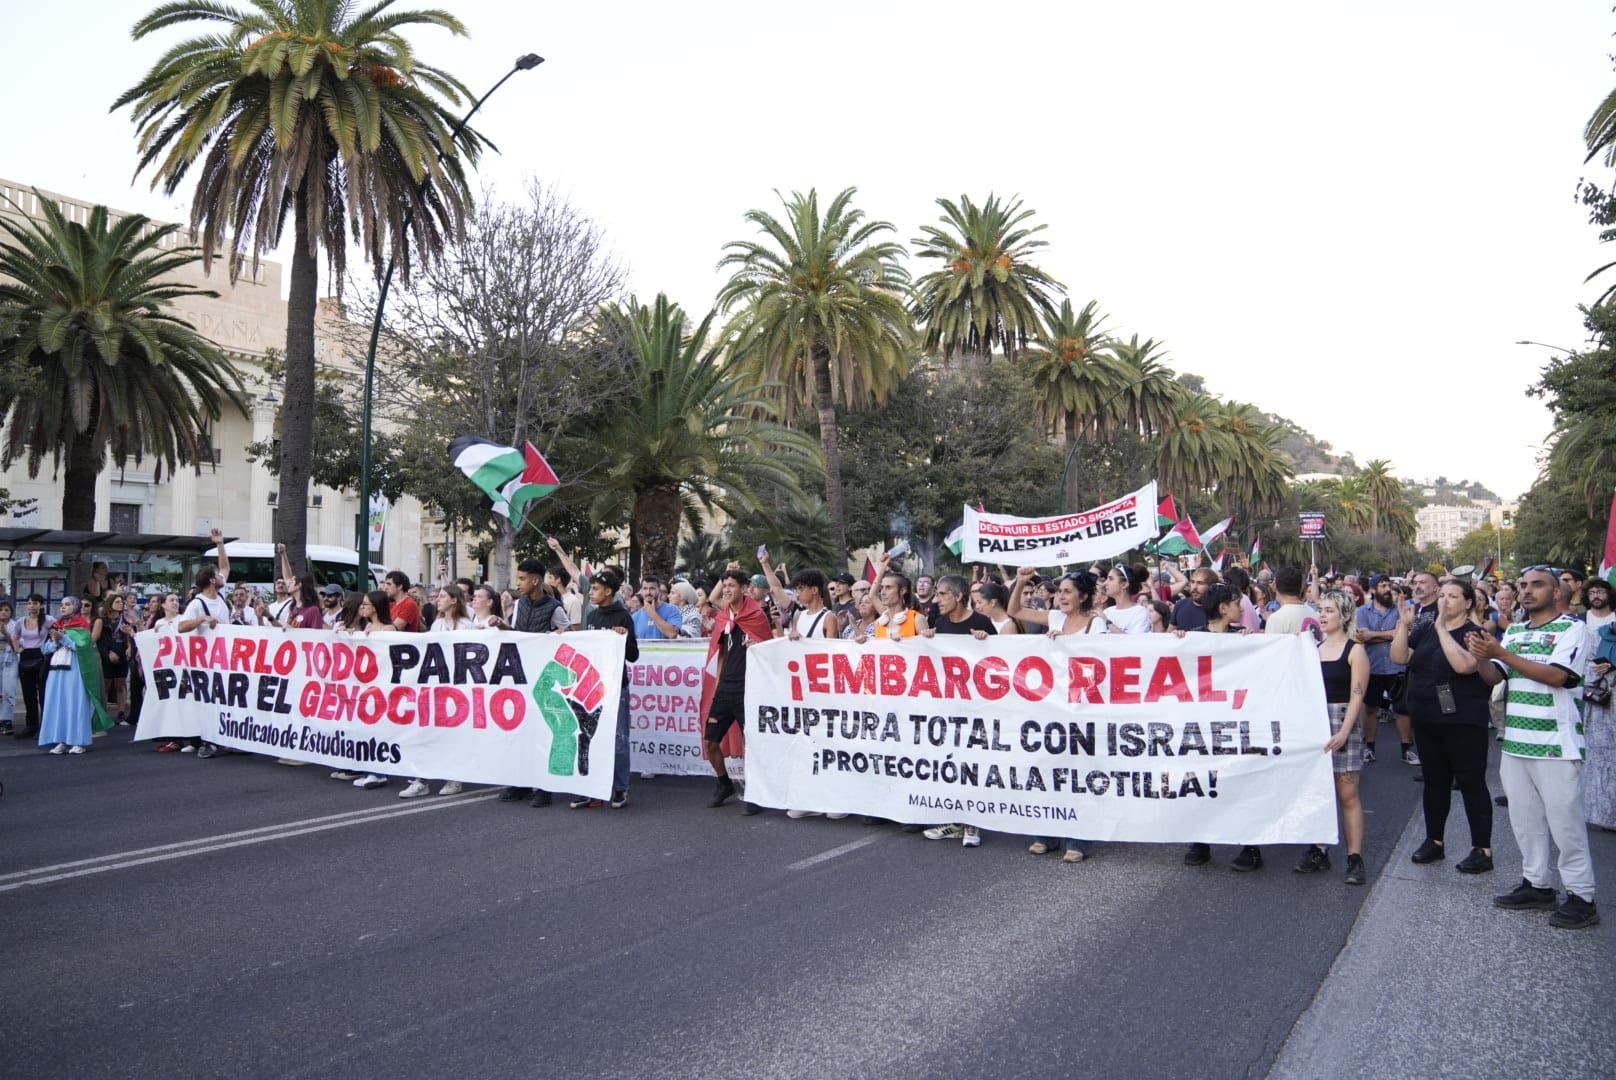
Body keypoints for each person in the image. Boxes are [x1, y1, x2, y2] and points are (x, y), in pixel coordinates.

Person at [1468, 566, 1599, 930]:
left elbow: (1560, 677)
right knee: (1525, 823)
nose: (1526, 591)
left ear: (1557, 592)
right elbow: (1495, 676)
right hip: (1516, 742)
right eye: (1523, 585)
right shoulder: (1517, 632)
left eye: (1536, 585)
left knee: (1565, 825)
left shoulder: (1574, 629)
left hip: (1556, 744)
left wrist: (1501, 653)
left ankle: (1582, 896)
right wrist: (1482, 655)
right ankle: (1538, 885)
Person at [1390, 579, 1494, 874]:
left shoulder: (1475, 633)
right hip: (1426, 716)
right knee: (1435, 782)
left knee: (1471, 782)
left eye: (1453, 596)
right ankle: (1434, 841)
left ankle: (1481, 849)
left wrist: (1442, 631)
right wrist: (1403, 624)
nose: (1445, 601)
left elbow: (1465, 666)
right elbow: (1399, 657)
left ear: (1469, 602)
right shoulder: (1424, 629)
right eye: (1443, 596)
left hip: (1462, 719)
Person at [1013, 569, 1105, 863]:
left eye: (1068, 591)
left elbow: (1103, 664)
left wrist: (1069, 645)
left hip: (1083, 711)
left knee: (1079, 774)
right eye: (1060, 591)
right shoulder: (1054, 619)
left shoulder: (1096, 624)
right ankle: (1048, 832)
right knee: (1050, 769)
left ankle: (1079, 837)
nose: (1061, 596)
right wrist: (1019, 580)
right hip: (1051, 710)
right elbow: (1015, 610)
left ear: (1083, 596)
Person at [1291, 590, 1370, 883]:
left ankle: (1354, 857)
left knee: (1347, 794)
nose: (1322, 616)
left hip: (1342, 723)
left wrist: (1344, 731)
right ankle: (1319, 850)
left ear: (1346, 615)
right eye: (1321, 610)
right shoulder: (1313, 648)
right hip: (1315, 725)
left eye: (1330, 611)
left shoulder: (1355, 651)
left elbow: (1357, 696)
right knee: (1317, 792)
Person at [919, 575, 997, 848]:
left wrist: (985, 642)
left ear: (959, 596)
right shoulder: (938, 623)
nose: (936, 600)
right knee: (950, 764)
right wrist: (926, 638)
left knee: (972, 764)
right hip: (946, 708)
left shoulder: (981, 623)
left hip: (976, 709)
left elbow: (1001, 662)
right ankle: (955, 821)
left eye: (942, 594)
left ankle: (972, 824)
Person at [497, 558, 571, 807]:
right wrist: (503, 627)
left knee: (542, 732)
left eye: (522, 579)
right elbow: (518, 633)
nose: (519, 583)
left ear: (535, 580)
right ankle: (520, 782)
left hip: (544, 678)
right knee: (521, 730)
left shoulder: (554, 608)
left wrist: (557, 636)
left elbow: (568, 637)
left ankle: (543, 787)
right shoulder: (519, 605)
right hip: (520, 674)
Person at [700, 569, 774, 811]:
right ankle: (724, 783)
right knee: (711, 741)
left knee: (751, 744)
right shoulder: (724, 617)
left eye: (732, 585)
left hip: (748, 688)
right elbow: (720, 653)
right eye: (725, 585)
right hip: (725, 688)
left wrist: (758, 647)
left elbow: (770, 650)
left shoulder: (756, 615)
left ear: (744, 588)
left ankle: (756, 792)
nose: (728, 590)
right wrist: (718, 684)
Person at [397, 585, 475, 799]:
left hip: (459, 687)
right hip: (436, 685)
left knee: (452, 734)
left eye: (442, 596)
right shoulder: (437, 624)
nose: (437, 600)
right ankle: (422, 780)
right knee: (429, 732)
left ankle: (454, 777)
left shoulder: (468, 626)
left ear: (454, 601)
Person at [783, 569, 846, 822]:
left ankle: (835, 799)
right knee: (806, 745)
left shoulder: (827, 617)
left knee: (829, 745)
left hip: (825, 693)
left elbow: (831, 653)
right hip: (804, 691)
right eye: (797, 588)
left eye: (801, 588)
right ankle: (809, 798)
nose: (798, 593)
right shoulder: (799, 616)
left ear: (814, 590)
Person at [574, 566, 636, 810]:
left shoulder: (623, 616)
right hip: (592, 688)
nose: (591, 593)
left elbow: (633, 655)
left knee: (619, 739)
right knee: (590, 736)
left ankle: (621, 788)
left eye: (596, 589)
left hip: (616, 687)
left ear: (609, 591)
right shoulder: (594, 615)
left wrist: (623, 636)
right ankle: (592, 788)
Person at [39, 596, 113, 753]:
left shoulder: (82, 625)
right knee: (59, 704)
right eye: (61, 604)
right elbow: (45, 650)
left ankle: (79, 740)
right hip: (57, 671)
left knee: (75, 703)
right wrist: (54, 641)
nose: (63, 607)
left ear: (75, 607)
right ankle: (61, 740)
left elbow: (83, 648)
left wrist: (63, 638)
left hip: (75, 670)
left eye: (67, 604)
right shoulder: (57, 625)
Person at [337, 592, 395, 788]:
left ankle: (380, 773)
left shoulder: (389, 629)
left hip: (382, 686)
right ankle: (371, 769)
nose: (362, 607)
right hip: (366, 686)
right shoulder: (366, 627)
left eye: (366, 604)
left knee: (379, 729)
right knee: (368, 728)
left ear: (376, 607)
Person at [1355, 575, 1412, 765]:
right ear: (1373, 590)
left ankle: (1406, 750)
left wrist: (1375, 634)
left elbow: (1401, 634)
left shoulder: (1398, 610)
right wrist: (1389, 635)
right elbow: (1363, 636)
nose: (1387, 589)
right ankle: (1369, 748)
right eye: (1383, 586)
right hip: (1373, 667)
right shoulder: (1362, 611)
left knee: (1402, 709)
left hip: (1397, 667)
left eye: (1388, 585)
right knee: (1371, 708)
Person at [1582, 577, 1616, 831]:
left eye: (1600, 591)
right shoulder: (1580, 622)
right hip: (1595, 697)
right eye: (1591, 591)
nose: (1596, 595)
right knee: (1599, 755)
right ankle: (1603, 812)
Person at [9, 595, 53, 740]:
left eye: (35, 603)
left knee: (43, 694)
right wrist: (17, 648)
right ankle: (31, 725)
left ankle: (46, 727)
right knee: (28, 695)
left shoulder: (48, 620)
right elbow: (14, 637)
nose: (31, 606)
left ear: (41, 605)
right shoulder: (21, 621)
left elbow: (58, 632)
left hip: (41, 657)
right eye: (29, 603)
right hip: (26, 656)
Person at [97, 593, 134, 722]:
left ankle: (121, 713)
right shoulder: (102, 620)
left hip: (122, 654)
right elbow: (100, 640)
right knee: (106, 685)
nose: (121, 604)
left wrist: (129, 647)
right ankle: (103, 713)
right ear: (110, 604)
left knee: (120, 684)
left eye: (122, 602)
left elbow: (129, 636)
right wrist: (108, 652)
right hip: (107, 655)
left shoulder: (125, 619)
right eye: (117, 602)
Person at [1264, 566, 1321, 642]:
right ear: (1302, 587)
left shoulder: (1276, 619)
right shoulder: (1316, 615)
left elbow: (1271, 650)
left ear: (1275, 586)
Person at [1102, 564, 1152, 634]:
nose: (1105, 583)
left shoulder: (1140, 612)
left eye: (1111, 579)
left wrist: (1107, 622)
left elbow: (1133, 642)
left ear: (1124, 584)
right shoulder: (1106, 612)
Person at [632, 575, 684, 639]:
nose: (648, 592)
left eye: (652, 588)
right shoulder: (635, 616)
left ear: (659, 591)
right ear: (641, 591)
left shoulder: (672, 610)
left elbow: (672, 634)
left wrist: (652, 613)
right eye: (645, 588)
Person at [0, 599, 17, 736]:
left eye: (6, 610)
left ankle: (6, 720)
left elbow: (17, 646)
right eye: (1, 610)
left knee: (8, 689)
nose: (3, 612)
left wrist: (6, 634)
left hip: (10, 659)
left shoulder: (15, 626)